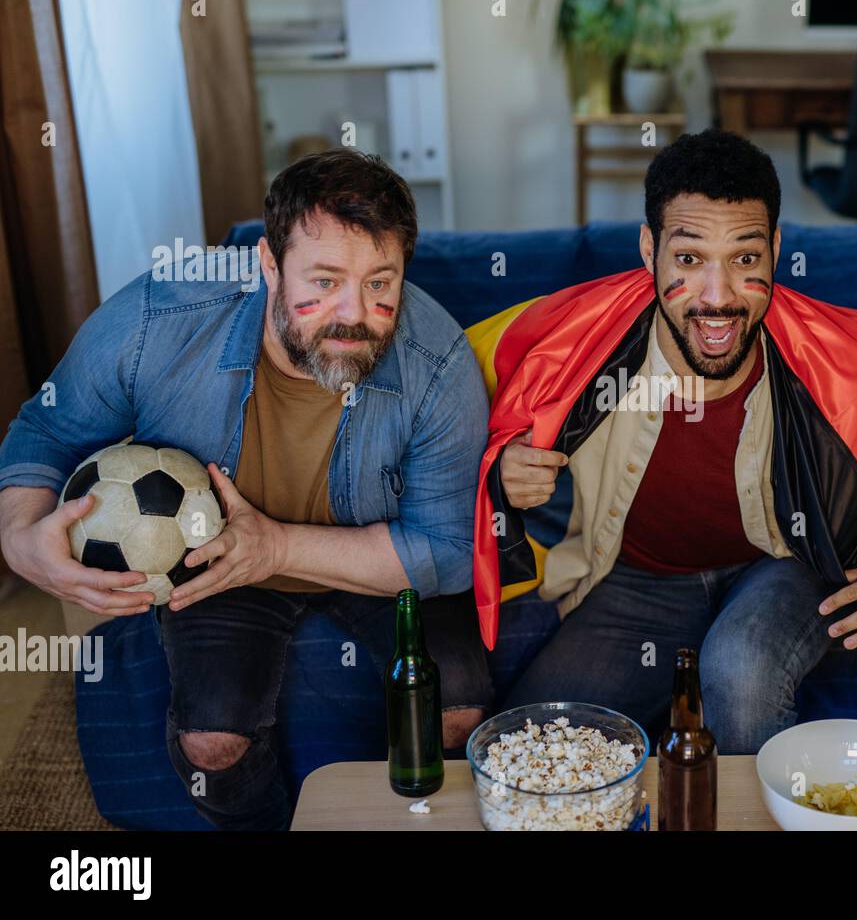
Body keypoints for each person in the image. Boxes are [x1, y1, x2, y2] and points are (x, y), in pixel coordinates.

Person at [0, 149, 491, 829]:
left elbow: (445, 550)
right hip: (219, 566)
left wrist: (278, 546)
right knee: (212, 744)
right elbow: (44, 431)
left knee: (458, 711)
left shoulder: (437, 364)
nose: (355, 314)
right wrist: (21, 540)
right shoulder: (157, 321)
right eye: (324, 280)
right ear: (267, 264)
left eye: (382, 283)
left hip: (372, 559)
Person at [469, 129, 857, 752]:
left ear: (777, 250)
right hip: (637, 582)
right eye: (688, 258)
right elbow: (452, 415)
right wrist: (502, 470)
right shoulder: (573, 341)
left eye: (745, 259)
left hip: (785, 564)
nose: (718, 296)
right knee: (523, 751)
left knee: (738, 669)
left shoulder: (848, 358)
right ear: (650, 249)